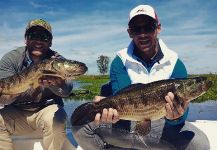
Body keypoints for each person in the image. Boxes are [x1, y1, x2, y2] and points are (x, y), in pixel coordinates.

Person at [71, 5, 210, 150]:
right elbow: (122, 95)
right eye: (137, 29)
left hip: (162, 126)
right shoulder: (120, 61)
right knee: (80, 129)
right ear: (130, 32)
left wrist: (176, 118)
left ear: (158, 28)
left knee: (199, 143)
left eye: (148, 27)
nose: (142, 34)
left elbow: (180, 116)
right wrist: (109, 110)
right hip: (125, 122)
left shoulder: (175, 63)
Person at [0, 19, 73, 150]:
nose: (38, 41)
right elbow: (3, 98)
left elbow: (67, 91)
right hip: (18, 111)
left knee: (58, 120)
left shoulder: (57, 61)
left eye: (44, 37)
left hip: (46, 110)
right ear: (26, 39)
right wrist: (15, 90)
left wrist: (59, 83)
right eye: (33, 36)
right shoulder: (10, 59)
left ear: (50, 42)